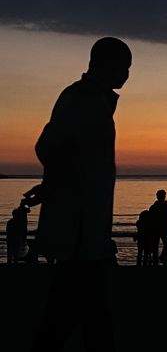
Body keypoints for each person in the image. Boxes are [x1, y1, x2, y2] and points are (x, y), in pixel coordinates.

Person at [27, 37, 131, 352]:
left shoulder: (93, 100)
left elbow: (63, 153)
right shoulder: (83, 99)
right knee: (72, 318)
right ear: (104, 64)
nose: (127, 75)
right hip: (78, 235)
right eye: (124, 67)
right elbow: (50, 147)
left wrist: (51, 184)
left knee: (84, 318)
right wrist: (56, 185)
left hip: (86, 234)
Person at [149, 189, 167, 265]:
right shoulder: (155, 205)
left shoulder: (164, 204)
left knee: (166, 244)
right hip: (158, 227)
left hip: (163, 227)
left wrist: (165, 213)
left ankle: (161, 256)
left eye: (163, 195)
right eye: (162, 195)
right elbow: (151, 216)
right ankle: (157, 258)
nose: (163, 197)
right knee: (157, 244)